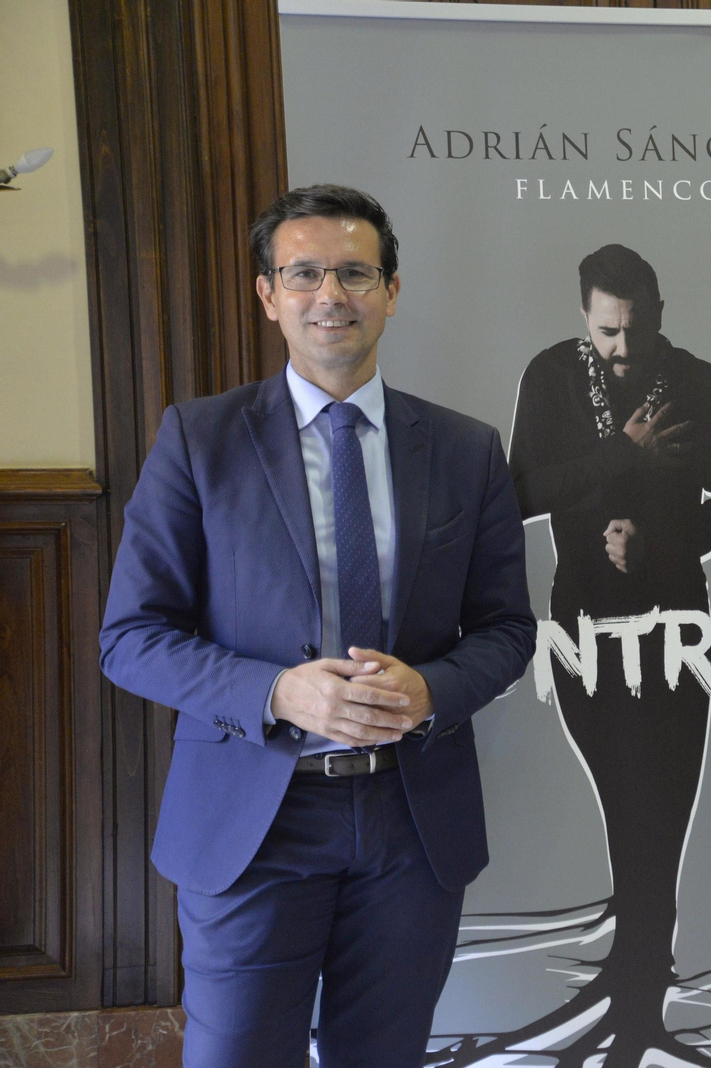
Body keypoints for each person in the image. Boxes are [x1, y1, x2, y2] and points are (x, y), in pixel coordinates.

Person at [99, 184, 538, 1068]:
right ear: (268, 295)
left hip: (411, 821)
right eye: (304, 274)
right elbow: (131, 636)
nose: (330, 295)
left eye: (354, 273)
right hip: (256, 819)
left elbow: (506, 629)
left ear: (392, 290)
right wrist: (274, 689)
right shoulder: (200, 439)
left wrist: (431, 690)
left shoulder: (466, 449)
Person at [506, 243, 711, 1066]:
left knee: (668, 801)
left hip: (675, 619)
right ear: (586, 315)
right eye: (608, 330)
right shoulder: (548, 377)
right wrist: (623, 458)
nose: (622, 345)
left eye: (636, 328)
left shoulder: (701, 381)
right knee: (623, 799)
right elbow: (520, 495)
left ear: (658, 312)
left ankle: (646, 984)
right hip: (580, 623)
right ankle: (633, 969)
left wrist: (657, 538)